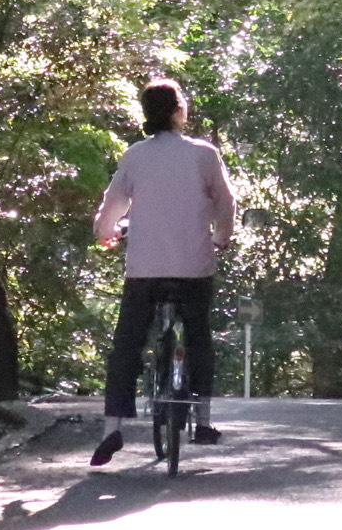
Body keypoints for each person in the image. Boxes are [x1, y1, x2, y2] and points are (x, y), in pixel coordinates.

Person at [91, 76, 236, 466]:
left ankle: (112, 429)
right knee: (200, 335)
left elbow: (112, 208)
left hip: (145, 270)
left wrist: (107, 233)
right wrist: (221, 237)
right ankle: (202, 419)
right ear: (178, 111)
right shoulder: (204, 154)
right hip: (193, 266)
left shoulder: (135, 156)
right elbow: (225, 203)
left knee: (126, 344)